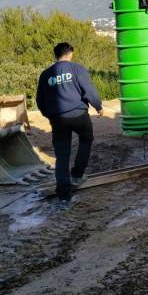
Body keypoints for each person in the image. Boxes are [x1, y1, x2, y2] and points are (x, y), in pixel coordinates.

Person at [36, 42, 103, 203]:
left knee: (62, 155)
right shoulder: (77, 69)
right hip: (79, 114)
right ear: (70, 53)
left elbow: (40, 100)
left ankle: (64, 195)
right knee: (86, 139)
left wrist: (50, 115)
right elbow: (89, 90)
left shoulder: (45, 75)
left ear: (56, 55)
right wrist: (98, 106)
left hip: (58, 119)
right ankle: (77, 174)